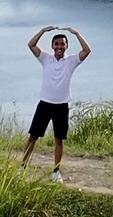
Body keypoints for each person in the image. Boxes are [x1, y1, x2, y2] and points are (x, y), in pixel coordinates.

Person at [22, 24, 91, 175]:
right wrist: (42, 31)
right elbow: (31, 45)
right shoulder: (45, 58)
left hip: (61, 106)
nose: (60, 47)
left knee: (59, 140)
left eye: (62, 44)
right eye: (57, 44)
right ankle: (22, 166)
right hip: (45, 104)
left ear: (66, 46)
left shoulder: (71, 61)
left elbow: (87, 50)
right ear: (52, 46)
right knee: (33, 137)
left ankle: (56, 171)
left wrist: (77, 33)